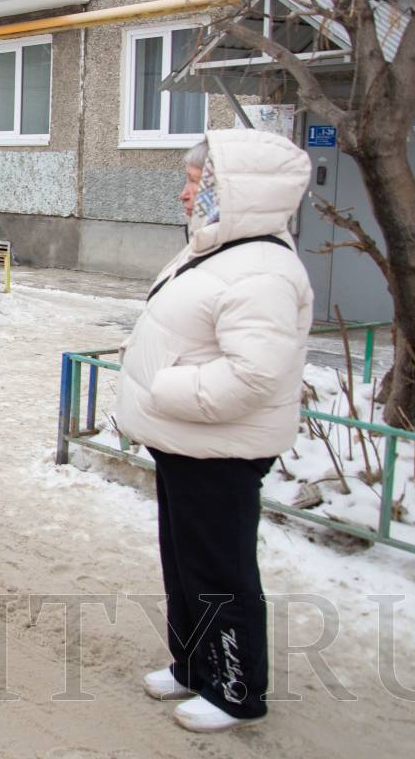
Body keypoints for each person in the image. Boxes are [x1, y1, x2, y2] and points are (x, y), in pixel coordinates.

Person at [115, 129, 312, 733]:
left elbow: (252, 376)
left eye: (196, 183)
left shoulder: (263, 271)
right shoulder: (219, 249)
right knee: (185, 562)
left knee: (219, 569)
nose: (183, 194)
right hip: (186, 440)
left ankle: (236, 690)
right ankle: (194, 666)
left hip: (219, 447)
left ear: (236, 191)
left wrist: (163, 389)